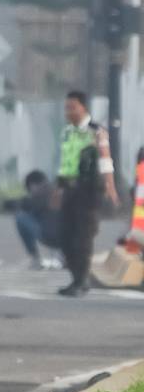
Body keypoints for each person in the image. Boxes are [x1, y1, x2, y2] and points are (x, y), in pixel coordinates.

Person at [54, 91, 116, 297]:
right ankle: (77, 278)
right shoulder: (67, 132)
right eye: (67, 108)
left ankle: (81, 281)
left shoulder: (96, 131)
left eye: (73, 107)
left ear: (83, 108)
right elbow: (65, 161)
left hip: (89, 191)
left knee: (83, 238)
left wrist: (110, 185)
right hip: (69, 190)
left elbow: (105, 160)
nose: (69, 112)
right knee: (64, 237)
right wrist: (58, 189)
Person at [8, 170, 66, 271]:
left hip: (50, 237)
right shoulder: (59, 190)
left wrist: (14, 204)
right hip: (69, 239)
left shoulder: (40, 194)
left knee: (20, 217)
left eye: (30, 190)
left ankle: (35, 258)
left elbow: (22, 204)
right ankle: (64, 257)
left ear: (33, 185)